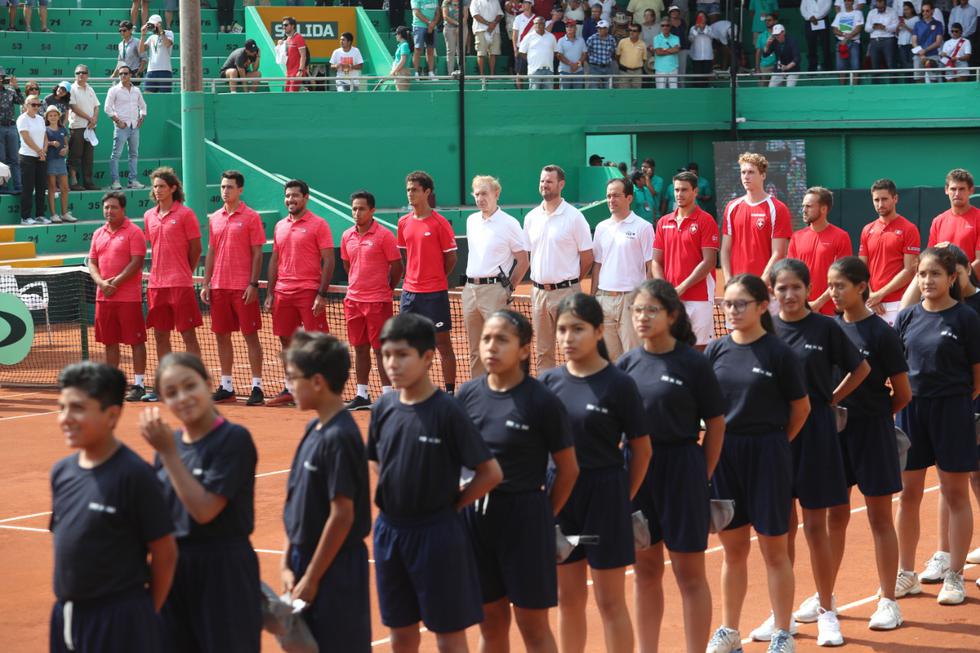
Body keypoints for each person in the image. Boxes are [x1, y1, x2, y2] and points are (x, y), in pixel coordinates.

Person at [368, 313, 503, 652]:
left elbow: (490, 472)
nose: (391, 364)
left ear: (428, 358)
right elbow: (375, 457)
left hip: (437, 534)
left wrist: (454, 505)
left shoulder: (448, 411)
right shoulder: (383, 406)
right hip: (390, 532)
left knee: (448, 633)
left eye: (402, 355)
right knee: (401, 633)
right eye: (386, 355)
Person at [456, 310, 579, 653]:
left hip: (525, 519)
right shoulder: (467, 395)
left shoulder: (542, 402)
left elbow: (568, 469)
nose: (491, 347)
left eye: (502, 340)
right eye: (486, 339)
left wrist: (542, 514)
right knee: (490, 623)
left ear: (525, 350)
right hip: (476, 522)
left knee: (532, 625)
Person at [538, 293, 651, 653]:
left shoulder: (619, 384)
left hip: (604, 496)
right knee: (567, 599)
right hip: (561, 495)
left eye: (578, 330)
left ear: (599, 330)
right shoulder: (548, 382)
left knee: (609, 601)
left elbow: (641, 450)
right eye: (562, 330)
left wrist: (621, 498)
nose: (568, 338)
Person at [764, 259, 868, 647]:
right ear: (772, 293)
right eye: (781, 288)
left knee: (815, 527)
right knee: (782, 530)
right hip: (776, 440)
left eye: (796, 287)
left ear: (809, 289)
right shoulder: (765, 331)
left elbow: (860, 369)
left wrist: (830, 400)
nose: (789, 295)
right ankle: (782, 616)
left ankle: (827, 612)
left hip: (818, 436)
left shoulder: (826, 327)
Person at [704, 274, 809, 653]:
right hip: (726, 455)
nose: (732, 311)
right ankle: (729, 631)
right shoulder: (715, 351)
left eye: (740, 304)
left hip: (768, 454)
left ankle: (783, 632)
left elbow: (801, 409)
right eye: (728, 304)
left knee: (774, 550)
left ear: (763, 307)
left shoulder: (780, 354)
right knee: (733, 551)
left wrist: (775, 445)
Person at [618, 279, 724, 653]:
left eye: (651, 310)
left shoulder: (693, 363)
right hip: (638, 473)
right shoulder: (626, 364)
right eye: (637, 311)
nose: (642, 317)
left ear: (672, 315)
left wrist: (703, 474)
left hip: (682, 470)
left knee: (688, 573)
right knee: (645, 571)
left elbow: (716, 424)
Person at [49, 362, 177, 653]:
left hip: (120, 619)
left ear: (111, 416)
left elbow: (165, 554)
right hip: (66, 615)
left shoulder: (135, 475)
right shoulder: (62, 472)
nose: (66, 418)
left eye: (78, 408)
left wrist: (140, 614)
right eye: (62, 407)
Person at [138, 353, 262, 652]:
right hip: (174, 570)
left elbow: (204, 510)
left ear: (208, 383)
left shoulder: (233, 439)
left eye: (189, 386)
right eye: (171, 393)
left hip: (223, 570)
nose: (182, 397)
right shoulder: (170, 445)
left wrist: (168, 454)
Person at [825, 256, 911, 630]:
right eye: (829, 285)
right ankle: (824, 596)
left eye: (840, 285)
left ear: (862, 287)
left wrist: (875, 417)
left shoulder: (881, 333)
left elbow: (903, 393)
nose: (833, 293)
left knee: (879, 518)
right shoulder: (828, 330)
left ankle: (888, 600)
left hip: (873, 432)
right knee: (834, 517)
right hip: (835, 435)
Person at [894, 247, 980, 606]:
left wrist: (955, 401)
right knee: (908, 495)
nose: (928, 281)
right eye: (922, 274)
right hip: (912, 412)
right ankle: (905, 573)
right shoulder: (907, 317)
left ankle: (955, 575)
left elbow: (977, 377)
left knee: (955, 492)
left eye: (935, 275)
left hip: (953, 410)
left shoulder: (966, 318)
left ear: (952, 278)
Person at [281, 332, 372, 651]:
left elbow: (342, 515)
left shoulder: (339, 438)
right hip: (304, 560)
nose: (290, 385)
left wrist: (313, 577)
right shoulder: (314, 428)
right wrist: (286, 564)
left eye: (293, 378)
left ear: (317, 382)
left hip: (335, 568)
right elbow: (295, 503)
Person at [264, 179, 335, 406]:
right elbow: (275, 260)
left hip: (308, 291)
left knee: (316, 343)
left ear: (306, 198)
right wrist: (270, 293)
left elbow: (329, 260)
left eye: (295, 195)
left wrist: (321, 294)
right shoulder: (279, 226)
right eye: (287, 196)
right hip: (283, 292)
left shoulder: (319, 224)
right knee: (286, 341)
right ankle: (290, 388)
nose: (290, 200)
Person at [200, 170, 266, 406]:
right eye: (223, 187)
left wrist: (253, 283)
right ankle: (226, 386)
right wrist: (206, 283)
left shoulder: (251, 217)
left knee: (251, 337)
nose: (225, 191)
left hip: (242, 287)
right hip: (218, 287)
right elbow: (212, 252)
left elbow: (258, 253)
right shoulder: (215, 217)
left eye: (230, 187)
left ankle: (256, 386)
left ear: (240, 190)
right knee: (221, 337)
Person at [524, 164, 594, 371]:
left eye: (549, 181)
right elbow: (528, 254)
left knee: (574, 347)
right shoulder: (531, 217)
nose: (544, 185)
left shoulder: (574, 217)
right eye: (542, 181)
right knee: (543, 350)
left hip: (567, 293)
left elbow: (587, 257)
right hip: (538, 294)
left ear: (561, 184)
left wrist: (571, 282)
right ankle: (547, 392)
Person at [340, 189, 403, 410]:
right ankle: (362, 394)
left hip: (378, 301)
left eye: (362, 209)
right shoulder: (346, 235)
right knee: (359, 348)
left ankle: (387, 395)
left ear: (372, 210)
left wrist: (386, 288)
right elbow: (348, 265)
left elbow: (397, 267)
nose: (357, 213)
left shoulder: (385, 235)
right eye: (354, 209)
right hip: (353, 301)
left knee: (380, 349)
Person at [397, 171, 458, 393]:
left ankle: (450, 391)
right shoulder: (403, 223)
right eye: (408, 190)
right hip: (409, 294)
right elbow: (405, 254)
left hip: (434, 294)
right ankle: (414, 388)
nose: (410, 194)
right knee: (408, 344)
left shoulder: (440, 223)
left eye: (414, 190)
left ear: (427, 192)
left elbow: (451, 258)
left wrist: (436, 277)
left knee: (442, 344)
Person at [462, 175, 529, 378]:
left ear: (496, 194)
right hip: (469, 291)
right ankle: (479, 395)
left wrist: (508, 289)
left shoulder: (509, 223)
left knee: (499, 345)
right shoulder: (471, 220)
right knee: (475, 350)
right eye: (477, 194)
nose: (480, 198)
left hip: (495, 292)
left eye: (485, 193)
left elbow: (523, 261)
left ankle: (504, 390)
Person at [88, 192, 149, 402]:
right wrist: (102, 283)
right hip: (103, 296)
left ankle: (139, 384)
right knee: (109, 342)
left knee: (136, 341)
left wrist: (115, 283)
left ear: (123, 209)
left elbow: (137, 262)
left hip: (128, 298)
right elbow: (92, 262)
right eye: (106, 207)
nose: (109, 211)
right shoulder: (98, 234)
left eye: (113, 207)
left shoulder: (134, 232)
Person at [652, 170, 720, 349]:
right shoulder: (663, 222)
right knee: (672, 348)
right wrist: (666, 290)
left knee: (699, 350)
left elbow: (709, 262)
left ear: (695, 191)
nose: (679, 194)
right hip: (672, 300)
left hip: (700, 298)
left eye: (684, 190)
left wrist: (681, 287)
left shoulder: (706, 221)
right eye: (676, 190)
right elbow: (656, 261)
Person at [591, 177, 654, 361]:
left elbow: (651, 267)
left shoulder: (644, 227)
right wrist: (594, 297)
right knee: (609, 360)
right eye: (609, 196)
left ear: (629, 198)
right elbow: (597, 265)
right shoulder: (602, 228)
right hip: (604, 300)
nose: (611, 200)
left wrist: (646, 301)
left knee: (635, 358)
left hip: (631, 301)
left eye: (616, 195)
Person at [720, 152, 792, 288]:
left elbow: (779, 252)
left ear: (763, 175)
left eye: (751, 172)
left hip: (766, 288)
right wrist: (729, 282)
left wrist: (760, 284)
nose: (746, 176)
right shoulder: (731, 207)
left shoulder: (777, 208)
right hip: (737, 286)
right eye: (743, 172)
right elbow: (725, 250)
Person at [858, 178, 920, 326]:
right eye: (876, 200)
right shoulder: (867, 229)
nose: (880, 204)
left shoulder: (909, 229)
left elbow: (910, 270)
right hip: (871, 303)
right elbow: (860, 268)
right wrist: (871, 295)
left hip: (899, 303)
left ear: (895, 198)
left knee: (898, 348)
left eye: (884, 199)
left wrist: (880, 294)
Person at [787, 186, 852, 315]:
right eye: (803, 206)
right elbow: (791, 274)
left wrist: (818, 303)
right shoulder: (796, 237)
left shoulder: (841, 237)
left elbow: (842, 277)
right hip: (801, 310)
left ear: (823, 209)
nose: (804, 210)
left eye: (809, 206)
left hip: (831, 313)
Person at [927, 168, 980, 275]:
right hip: (944, 286)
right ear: (946, 190)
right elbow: (930, 258)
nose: (957, 193)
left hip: (972, 287)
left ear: (971, 190)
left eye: (961, 189)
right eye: (953, 189)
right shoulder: (938, 221)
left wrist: (956, 280)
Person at [104, 66, 146, 191]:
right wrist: (117, 120)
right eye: (121, 73)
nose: (123, 76)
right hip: (121, 127)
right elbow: (107, 108)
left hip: (134, 127)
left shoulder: (137, 90)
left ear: (130, 75)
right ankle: (115, 181)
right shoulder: (113, 90)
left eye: (126, 73)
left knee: (134, 154)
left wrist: (141, 118)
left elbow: (143, 106)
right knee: (116, 155)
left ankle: (132, 180)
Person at [16, 93, 47, 225]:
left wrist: (44, 151)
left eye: (38, 104)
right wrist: (39, 151)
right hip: (27, 157)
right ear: (26, 105)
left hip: (40, 157)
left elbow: (45, 136)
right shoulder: (22, 119)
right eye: (33, 104)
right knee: (28, 188)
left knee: (41, 187)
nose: (36, 107)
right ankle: (25, 217)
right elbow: (26, 138)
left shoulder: (40, 119)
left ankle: (40, 215)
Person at [67, 65, 99, 191]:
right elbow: (73, 107)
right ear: (75, 75)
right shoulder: (71, 89)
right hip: (77, 127)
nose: (81, 74)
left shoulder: (90, 88)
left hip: (90, 128)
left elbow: (97, 106)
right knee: (75, 155)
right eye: (78, 72)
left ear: (88, 75)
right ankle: (73, 182)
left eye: (83, 72)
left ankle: (88, 182)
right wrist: (89, 118)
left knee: (88, 157)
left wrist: (94, 118)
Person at [43, 106, 69, 224]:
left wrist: (66, 149)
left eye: (55, 115)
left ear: (59, 116)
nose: (53, 117)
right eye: (50, 115)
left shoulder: (63, 129)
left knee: (64, 187)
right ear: (47, 117)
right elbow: (43, 143)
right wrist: (50, 143)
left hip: (61, 162)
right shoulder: (45, 129)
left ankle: (64, 213)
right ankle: (53, 215)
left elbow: (66, 144)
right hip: (50, 161)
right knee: (52, 188)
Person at [0, 70, 23, 195]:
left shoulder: (10, 91)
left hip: (11, 127)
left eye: (1, 76)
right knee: (1, 159)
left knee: (14, 158)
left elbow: (21, 101)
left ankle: (18, 185)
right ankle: (2, 186)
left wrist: (16, 87)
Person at [520, 16, 559, 89]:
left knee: (548, 96)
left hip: (549, 70)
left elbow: (555, 52)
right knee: (534, 96)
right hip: (534, 70)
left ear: (544, 25)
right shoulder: (528, 37)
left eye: (540, 23)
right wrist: (531, 60)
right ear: (534, 25)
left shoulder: (551, 36)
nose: (538, 25)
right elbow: (522, 52)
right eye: (536, 23)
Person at [139, 15, 174, 93]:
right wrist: (143, 35)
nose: (151, 27)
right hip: (151, 71)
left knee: (165, 99)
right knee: (148, 98)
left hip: (165, 71)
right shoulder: (151, 37)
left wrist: (161, 31)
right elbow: (141, 50)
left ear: (159, 24)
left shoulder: (169, 33)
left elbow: (167, 44)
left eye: (153, 25)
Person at [912, 1, 944, 82]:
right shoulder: (917, 24)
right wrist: (921, 53)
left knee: (934, 80)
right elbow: (913, 41)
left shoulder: (938, 24)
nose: (924, 13)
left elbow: (938, 42)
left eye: (927, 11)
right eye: (923, 11)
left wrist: (925, 50)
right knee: (918, 79)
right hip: (919, 56)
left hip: (933, 55)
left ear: (932, 11)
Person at [833, 0, 864, 82]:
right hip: (841, 43)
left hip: (854, 43)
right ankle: (842, 89)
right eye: (845, 1)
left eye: (849, 1)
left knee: (855, 67)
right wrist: (844, 35)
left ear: (853, 2)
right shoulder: (839, 14)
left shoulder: (858, 13)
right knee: (841, 67)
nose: (847, 3)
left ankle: (855, 88)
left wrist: (846, 39)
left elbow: (858, 28)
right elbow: (835, 30)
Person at [867, 0, 899, 80]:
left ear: (885, 3)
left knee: (890, 63)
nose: (880, 7)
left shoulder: (892, 12)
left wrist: (885, 27)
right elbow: (866, 29)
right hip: (874, 40)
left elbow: (896, 27)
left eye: (882, 6)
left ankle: (894, 85)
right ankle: (875, 87)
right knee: (874, 65)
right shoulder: (871, 13)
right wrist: (873, 27)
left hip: (888, 40)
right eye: (878, 6)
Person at [472, 0, 503, 78]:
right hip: (480, 30)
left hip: (495, 30)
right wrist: (488, 24)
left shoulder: (495, 1)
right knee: (481, 54)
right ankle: (482, 77)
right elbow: (475, 15)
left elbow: (499, 14)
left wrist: (494, 23)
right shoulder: (475, 1)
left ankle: (492, 76)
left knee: (493, 53)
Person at [801, 0, 832, 72]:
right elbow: (802, 9)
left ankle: (828, 67)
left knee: (825, 45)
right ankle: (812, 68)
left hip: (822, 20)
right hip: (809, 21)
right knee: (811, 45)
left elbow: (827, 7)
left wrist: (816, 17)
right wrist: (810, 17)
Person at [411, 0, 441, 77]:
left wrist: (433, 24)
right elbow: (417, 13)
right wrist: (429, 23)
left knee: (430, 50)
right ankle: (416, 73)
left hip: (433, 27)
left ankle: (431, 72)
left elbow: (437, 13)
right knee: (418, 49)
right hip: (419, 26)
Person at [279, 16, 308, 92]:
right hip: (289, 73)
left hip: (296, 73)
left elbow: (303, 56)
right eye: (283, 25)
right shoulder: (287, 39)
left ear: (293, 26)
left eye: (286, 25)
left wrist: (300, 70)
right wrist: (280, 44)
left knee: (291, 95)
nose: (283, 27)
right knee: (287, 95)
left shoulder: (299, 38)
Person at [557, 19, 588, 88]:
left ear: (576, 28)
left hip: (578, 71)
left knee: (577, 95)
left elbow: (584, 54)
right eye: (567, 26)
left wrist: (576, 65)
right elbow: (559, 55)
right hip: (564, 72)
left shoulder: (581, 40)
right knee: (564, 95)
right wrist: (571, 64)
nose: (569, 28)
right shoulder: (561, 40)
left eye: (571, 26)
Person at [587, 19, 617, 88]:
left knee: (608, 88)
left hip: (608, 67)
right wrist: (591, 64)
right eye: (598, 28)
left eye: (602, 28)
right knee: (594, 89)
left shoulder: (611, 39)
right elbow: (586, 53)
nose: (599, 30)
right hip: (594, 67)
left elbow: (613, 53)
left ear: (607, 29)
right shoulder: (591, 39)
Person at [512, 0, 536, 88]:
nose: (522, 4)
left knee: (533, 71)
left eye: (525, 2)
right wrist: (515, 49)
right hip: (521, 48)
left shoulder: (536, 19)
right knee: (519, 72)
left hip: (533, 49)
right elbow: (514, 34)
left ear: (530, 5)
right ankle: (519, 92)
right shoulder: (518, 18)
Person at [617, 22, 648, 87]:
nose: (631, 32)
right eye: (630, 30)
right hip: (624, 71)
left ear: (639, 33)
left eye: (634, 31)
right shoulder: (622, 42)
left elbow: (644, 59)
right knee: (624, 93)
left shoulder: (643, 44)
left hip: (637, 72)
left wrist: (636, 65)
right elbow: (617, 55)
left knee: (636, 93)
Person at [653, 17, 681, 87]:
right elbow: (658, 52)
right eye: (663, 25)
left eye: (667, 25)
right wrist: (671, 50)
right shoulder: (656, 38)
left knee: (673, 92)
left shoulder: (676, 38)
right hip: (660, 68)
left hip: (673, 68)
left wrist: (664, 50)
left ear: (670, 26)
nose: (665, 27)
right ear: (660, 27)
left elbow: (676, 50)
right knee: (660, 92)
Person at [688, 11, 714, 86]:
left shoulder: (710, 28)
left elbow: (713, 36)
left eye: (703, 17)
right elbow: (690, 39)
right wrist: (696, 30)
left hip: (708, 56)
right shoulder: (693, 28)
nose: (701, 18)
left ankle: (705, 92)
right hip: (696, 56)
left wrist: (704, 29)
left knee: (706, 77)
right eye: (699, 17)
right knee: (697, 77)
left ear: (706, 19)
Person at [897, 2, 920, 76]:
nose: (905, 11)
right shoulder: (902, 19)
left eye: (907, 9)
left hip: (912, 44)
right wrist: (898, 26)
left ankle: (912, 82)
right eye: (904, 10)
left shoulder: (916, 19)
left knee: (911, 63)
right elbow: (896, 33)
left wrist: (906, 26)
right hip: (902, 44)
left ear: (912, 9)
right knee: (904, 65)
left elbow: (917, 33)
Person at [442, 0, 462, 75]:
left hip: (461, 28)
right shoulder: (446, 2)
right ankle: (450, 73)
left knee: (461, 51)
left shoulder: (463, 2)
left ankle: (462, 72)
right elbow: (445, 16)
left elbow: (465, 15)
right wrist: (457, 24)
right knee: (451, 51)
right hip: (449, 28)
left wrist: (460, 27)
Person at [391, 26, 413, 91]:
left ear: (400, 35)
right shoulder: (403, 45)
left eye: (396, 34)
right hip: (401, 72)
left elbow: (403, 61)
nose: (396, 36)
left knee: (402, 95)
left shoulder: (404, 45)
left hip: (402, 73)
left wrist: (394, 71)